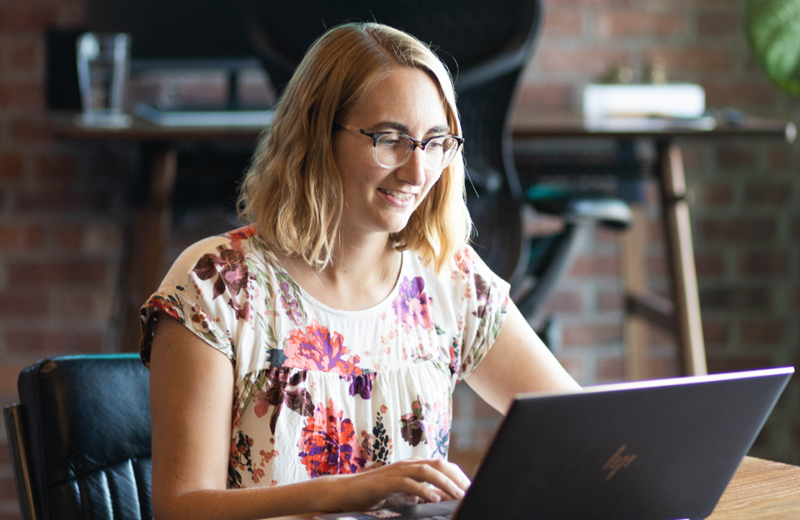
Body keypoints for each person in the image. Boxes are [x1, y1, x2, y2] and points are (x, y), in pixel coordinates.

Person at [141, 22, 579, 520]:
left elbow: (583, 430)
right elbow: (181, 509)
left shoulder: (451, 279)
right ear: (315, 136)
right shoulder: (217, 284)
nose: (418, 173)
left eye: (435, 142)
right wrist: (350, 491)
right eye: (390, 139)